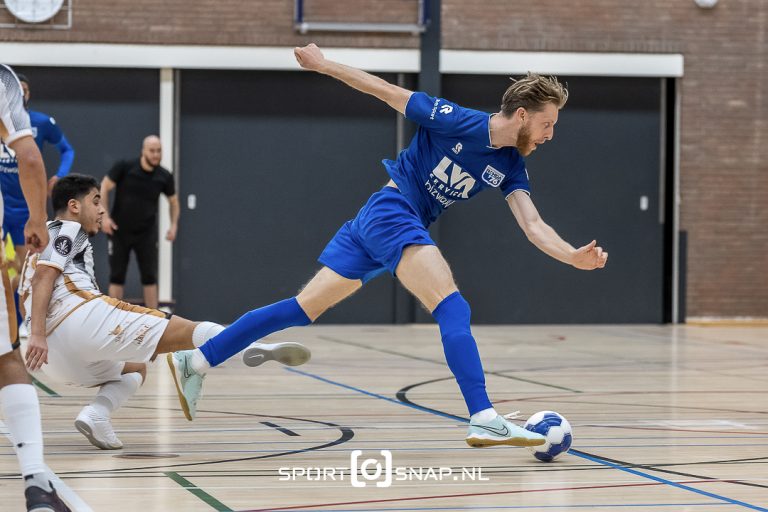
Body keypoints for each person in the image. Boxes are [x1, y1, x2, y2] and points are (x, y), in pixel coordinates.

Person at [170, 44, 610, 448]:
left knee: (300, 310)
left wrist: (571, 255)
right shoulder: (455, 119)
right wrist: (323, 65)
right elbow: (383, 90)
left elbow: (533, 225)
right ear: (522, 115)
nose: (550, 134)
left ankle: (200, 361)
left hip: (380, 222)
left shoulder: (511, 165)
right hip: (392, 210)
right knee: (452, 307)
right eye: (548, 124)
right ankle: (483, 417)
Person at [21, 174, 311, 450]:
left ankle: (96, 415)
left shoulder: (35, 248)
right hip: (77, 321)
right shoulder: (65, 229)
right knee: (187, 330)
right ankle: (249, 346)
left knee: (136, 368)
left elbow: (26, 290)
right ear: (74, 206)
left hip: (53, 362)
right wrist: (37, 335)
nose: (101, 210)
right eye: (96, 201)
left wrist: (36, 335)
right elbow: (43, 277)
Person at [0, 64, 71, 512]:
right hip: (13, 218)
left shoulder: (43, 119)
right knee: (7, 358)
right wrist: (38, 217)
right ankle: (35, 484)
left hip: (12, 223)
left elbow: (61, 149)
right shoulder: (1, 80)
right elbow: (30, 158)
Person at [0, 73, 75, 331]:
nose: (19, 92)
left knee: (25, 271)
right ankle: (9, 328)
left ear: (27, 94)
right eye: (17, 88)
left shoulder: (40, 122)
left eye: (24, 89)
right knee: (6, 269)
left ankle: (24, 326)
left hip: (26, 208)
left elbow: (67, 150)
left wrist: (60, 175)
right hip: (2, 205)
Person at [100, 135, 179, 309]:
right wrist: (105, 217)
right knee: (117, 276)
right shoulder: (125, 167)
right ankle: (113, 317)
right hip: (119, 231)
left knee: (149, 277)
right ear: (143, 151)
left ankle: (153, 319)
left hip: (146, 233)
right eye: (152, 151)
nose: (156, 155)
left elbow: (173, 202)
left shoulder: (164, 176)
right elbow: (104, 186)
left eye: (159, 151)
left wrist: (173, 225)